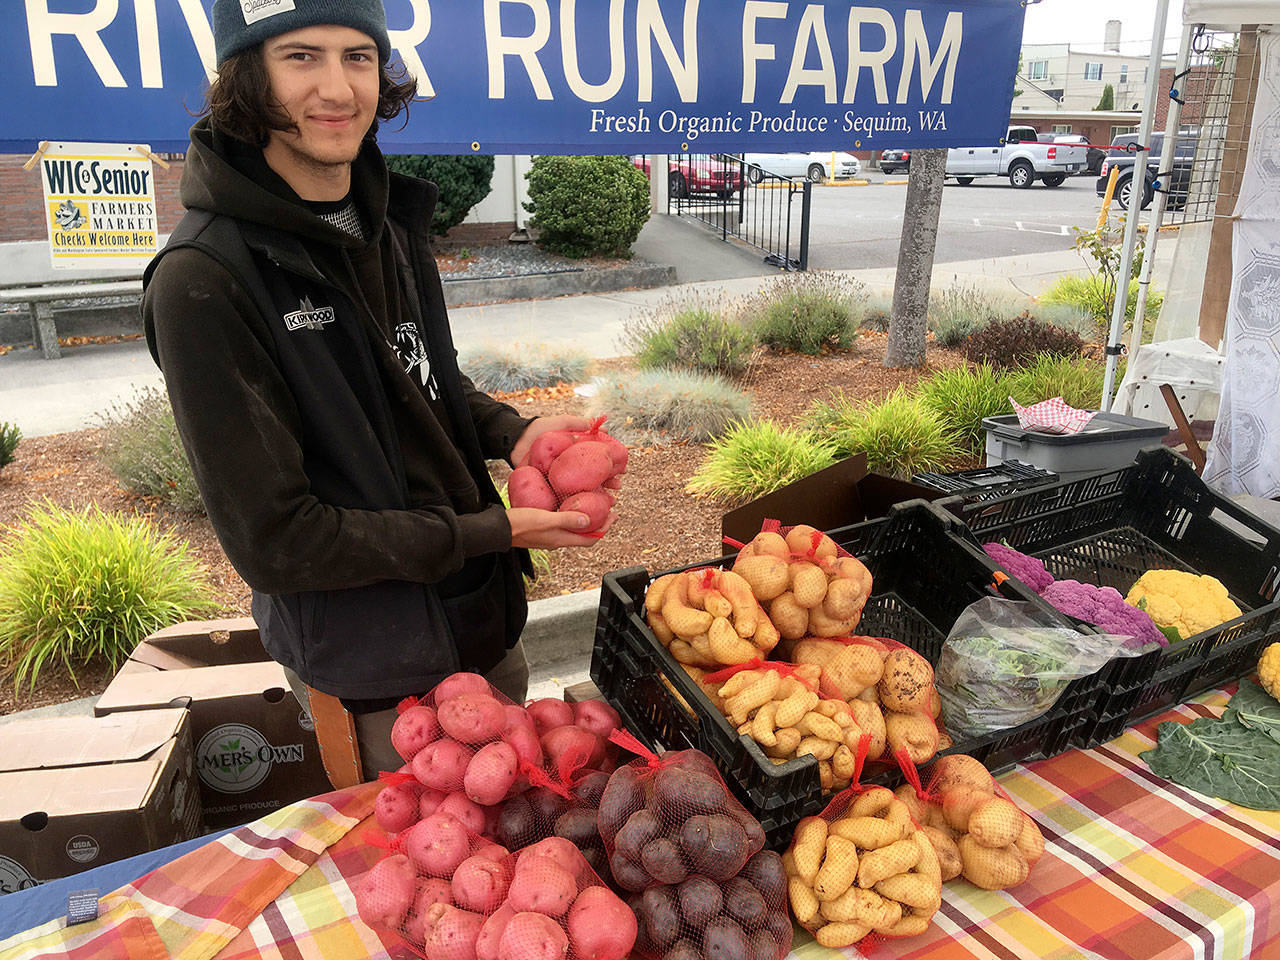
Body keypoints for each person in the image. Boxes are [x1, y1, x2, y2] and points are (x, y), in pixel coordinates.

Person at [143, 0, 608, 782]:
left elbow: (415, 370)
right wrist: (490, 532)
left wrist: (508, 432)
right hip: (376, 676)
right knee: (421, 889)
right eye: (301, 58)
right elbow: (278, 540)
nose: (338, 86)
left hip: (479, 625)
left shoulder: (380, 222)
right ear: (245, 78)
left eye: (358, 56)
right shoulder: (204, 281)